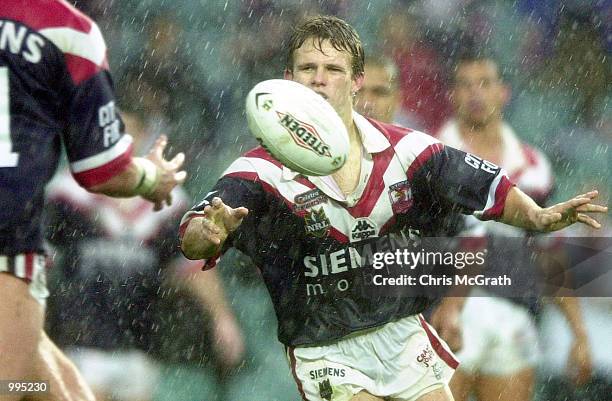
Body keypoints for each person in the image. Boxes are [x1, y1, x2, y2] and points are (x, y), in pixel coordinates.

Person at [179, 16, 606, 401]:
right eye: (308, 69)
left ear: (356, 80)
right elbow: (194, 234)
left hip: (403, 333)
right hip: (325, 347)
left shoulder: (408, 149)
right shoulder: (257, 170)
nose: (319, 80)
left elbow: (486, 187)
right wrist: (207, 232)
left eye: (333, 70)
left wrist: (536, 216)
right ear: (288, 78)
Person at [0, 1, 185, 400]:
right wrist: (153, 176)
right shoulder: (66, 30)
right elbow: (104, 171)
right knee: (9, 387)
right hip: (6, 246)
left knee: (54, 389)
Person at [44, 111, 244, 401]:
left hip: (140, 344)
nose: (122, 142)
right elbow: (36, 261)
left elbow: (191, 266)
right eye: (113, 133)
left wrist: (222, 319)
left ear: (145, 138)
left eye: (131, 133)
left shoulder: (168, 203)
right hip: (79, 343)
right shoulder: (67, 195)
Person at [434, 51, 593, 401]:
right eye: (465, 85)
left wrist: (579, 333)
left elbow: (551, 254)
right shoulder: (429, 158)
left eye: (485, 83)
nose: (475, 93)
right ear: (452, 95)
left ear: (503, 92)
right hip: (446, 313)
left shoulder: (535, 167)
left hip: (513, 313)